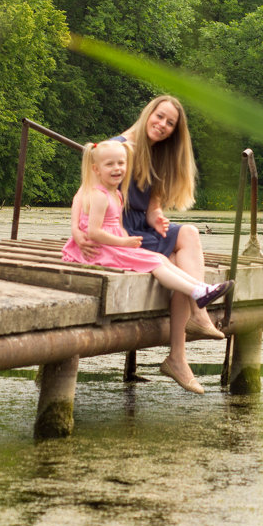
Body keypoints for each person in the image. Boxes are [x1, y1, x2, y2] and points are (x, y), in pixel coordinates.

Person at [63, 140, 232, 393]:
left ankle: (199, 288)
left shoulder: (115, 193)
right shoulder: (98, 196)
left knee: (162, 259)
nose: (117, 168)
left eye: (121, 163)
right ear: (96, 169)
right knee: (154, 261)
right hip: (98, 252)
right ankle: (197, 292)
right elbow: (96, 233)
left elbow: (115, 224)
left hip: (113, 245)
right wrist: (124, 242)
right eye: (110, 164)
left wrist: (126, 241)